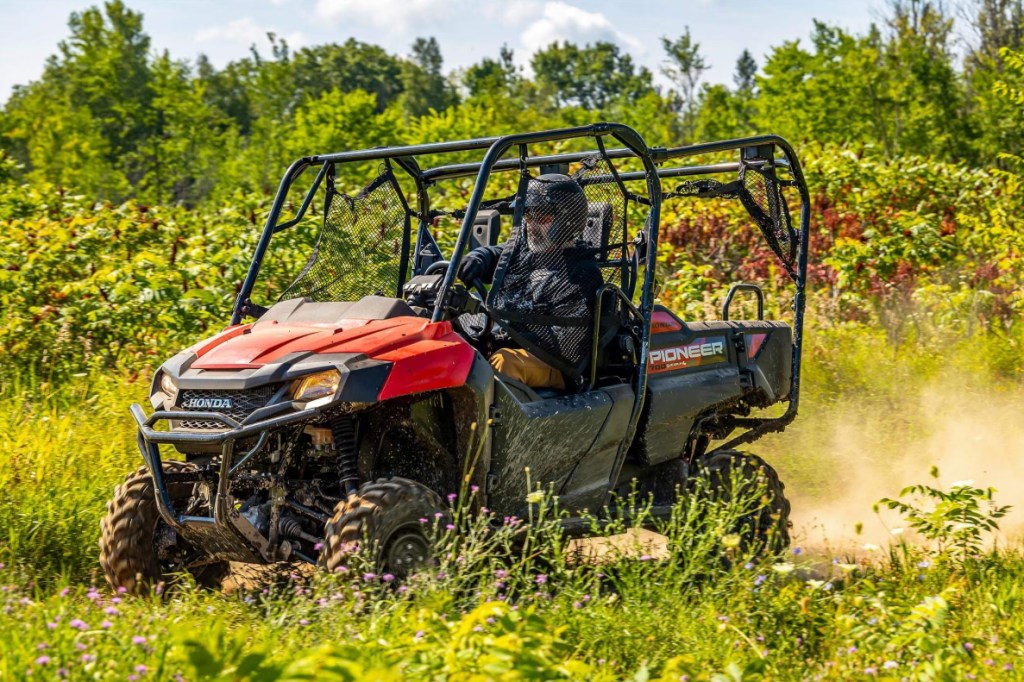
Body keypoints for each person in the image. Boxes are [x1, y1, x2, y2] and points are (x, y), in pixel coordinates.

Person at [458, 173, 602, 390]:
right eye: (528, 218)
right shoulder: (525, 254)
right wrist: (479, 258)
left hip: (555, 363)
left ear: (567, 222)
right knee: (454, 343)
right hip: (509, 342)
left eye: (542, 220)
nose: (531, 226)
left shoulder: (581, 273)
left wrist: (506, 334)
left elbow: (566, 344)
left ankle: (485, 413)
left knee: (505, 362)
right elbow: (498, 254)